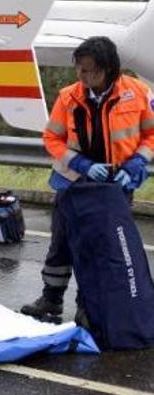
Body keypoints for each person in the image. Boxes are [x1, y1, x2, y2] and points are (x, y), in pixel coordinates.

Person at [20, 36, 154, 322]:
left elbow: (151, 134)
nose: (82, 76)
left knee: (98, 247)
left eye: (88, 70)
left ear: (108, 70)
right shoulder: (69, 96)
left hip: (116, 185)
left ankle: (87, 305)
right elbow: (51, 137)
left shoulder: (138, 93)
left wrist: (138, 162)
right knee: (62, 242)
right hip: (73, 183)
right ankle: (51, 299)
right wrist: (80, 163)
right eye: (79, 69)